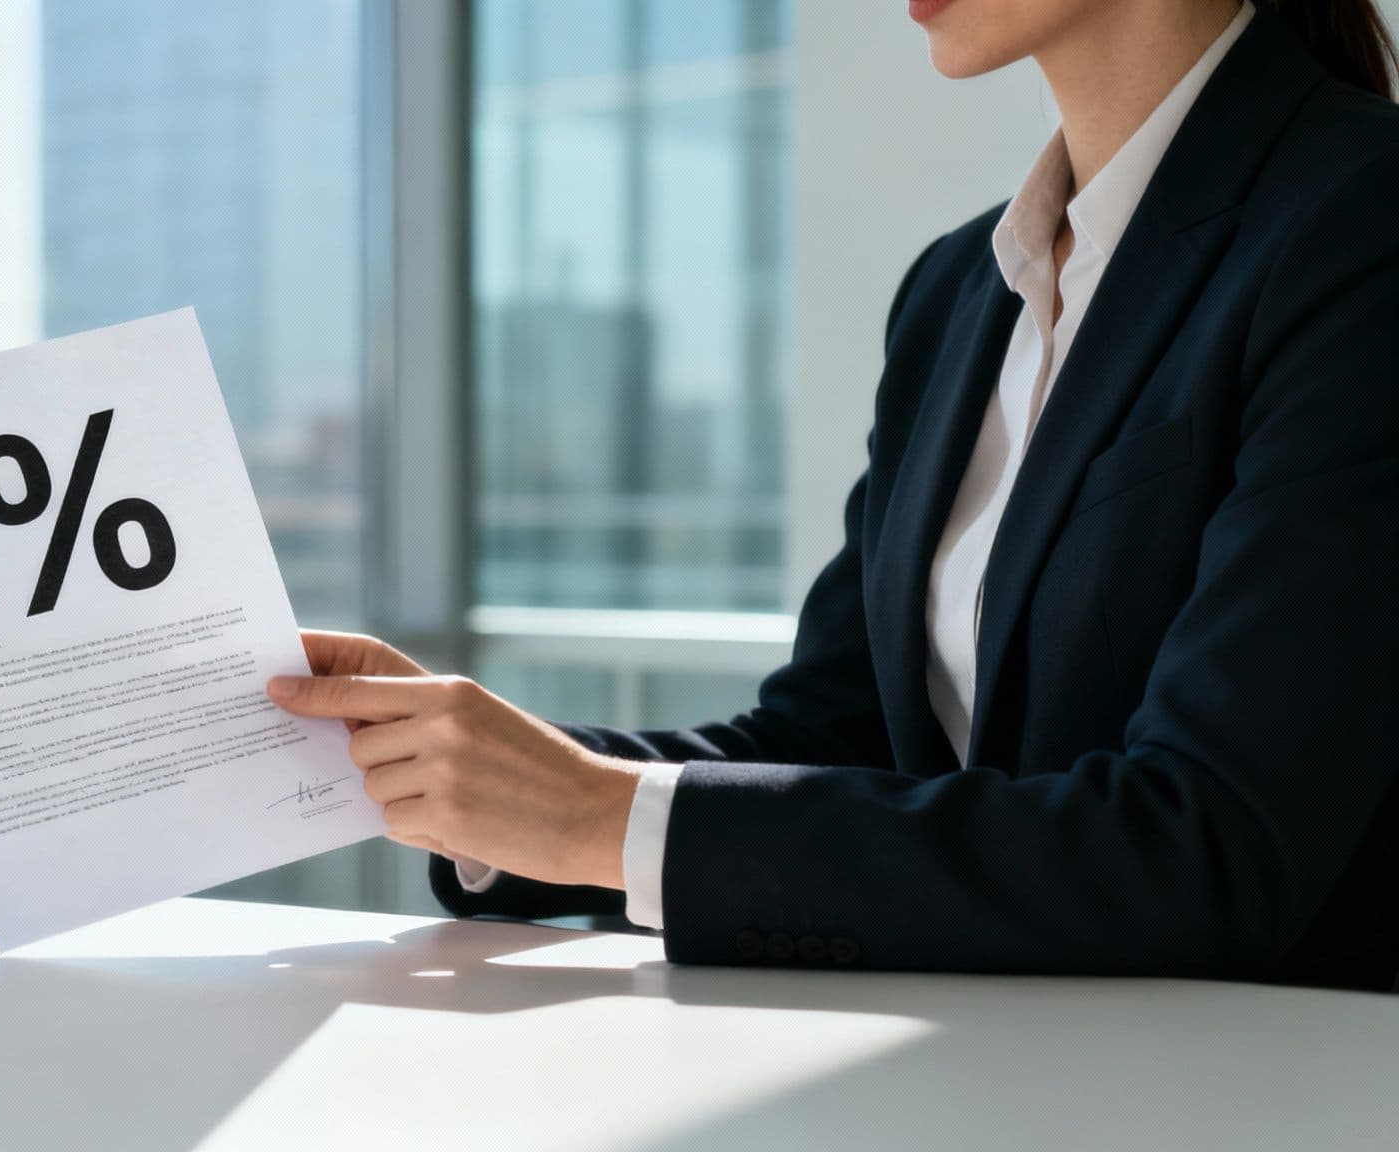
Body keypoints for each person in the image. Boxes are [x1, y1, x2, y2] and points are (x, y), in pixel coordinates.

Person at [265, 0, 1399, 990]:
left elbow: (1211, 845)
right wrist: (462, 770)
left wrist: (600, 818)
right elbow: (831, 741)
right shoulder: (958, 294)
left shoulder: (1357, 224)